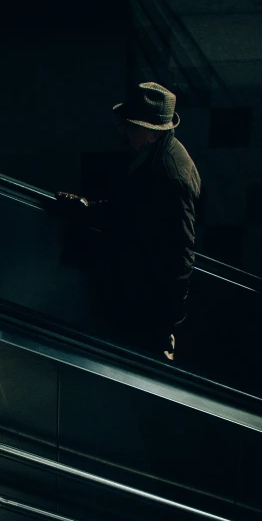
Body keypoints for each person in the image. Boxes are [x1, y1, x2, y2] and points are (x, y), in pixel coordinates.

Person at [56, 82, 201, 362]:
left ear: (149, 133)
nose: (122, 131)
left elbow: (181, 254)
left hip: (146, 307)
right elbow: (132, 208)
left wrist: (167, 325)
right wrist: (87, 209)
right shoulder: (157, 158)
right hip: (138, 294)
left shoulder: (171, 176)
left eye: (129, 126)